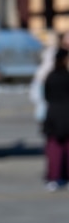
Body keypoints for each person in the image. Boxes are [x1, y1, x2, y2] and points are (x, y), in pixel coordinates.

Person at [42, 47, 69, 190]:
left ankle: (53, 177)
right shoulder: (66, 76)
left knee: (53, 149)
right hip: (66, 114)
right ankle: (63, 176)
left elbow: (45, 96)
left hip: (52, 115)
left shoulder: (50, 76)